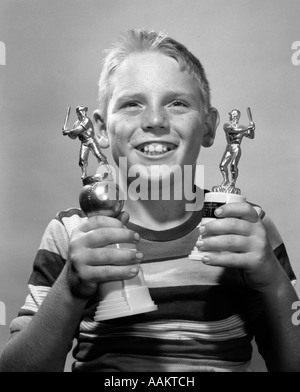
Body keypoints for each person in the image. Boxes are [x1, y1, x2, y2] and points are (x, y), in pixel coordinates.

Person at [0, 29, 299, 372]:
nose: (155, 120)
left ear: (209, 126)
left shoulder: (244, 225)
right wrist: (71, 286)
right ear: (100, 130)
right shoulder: (72, 231)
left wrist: (273, 282)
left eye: (178, 103)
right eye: (131, 104)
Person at [213, 109, 255, 193]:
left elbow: (251, 136)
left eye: (231, 114)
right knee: (222, 165)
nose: (229, 116)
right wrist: (248, 128)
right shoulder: (227, 125)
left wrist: (252, 129)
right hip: (229, 148)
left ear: (235, 116)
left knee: (233, 165)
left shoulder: (242, 128)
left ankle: (232, 183)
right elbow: (233, 131)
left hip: (236, 147)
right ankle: (225, 180)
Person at [62, 106, 110, 179]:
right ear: (78, 113)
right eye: (81, 111)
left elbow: (79, 130)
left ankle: (107, 168)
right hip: (84, 143)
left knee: (98, 154)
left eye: (84, 111)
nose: (83, 113)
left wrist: (69, 131)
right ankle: (84, 174)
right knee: (82, 159)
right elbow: (73, 136)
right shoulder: (76, 124)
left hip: (91, 140)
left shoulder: (86, 120)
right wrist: (67, 132)